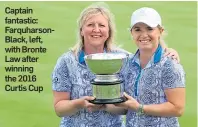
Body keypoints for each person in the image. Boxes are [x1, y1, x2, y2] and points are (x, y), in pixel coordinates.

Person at [51, 3, 180, 127]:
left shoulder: (124, 58)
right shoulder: (66, 61)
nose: (96, 30)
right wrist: (79, 104)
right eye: (90, 25)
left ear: (109, 31)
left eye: (102, 25)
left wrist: (168, 51)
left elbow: (148, 54)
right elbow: (59, 108)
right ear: (81, 30)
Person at [116, 7, 186, 127]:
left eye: (149, 29)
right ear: (131, 33)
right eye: (137, 29)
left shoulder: (170, 65)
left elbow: (177, 108)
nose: (144, 35)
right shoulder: (127, 63)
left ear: (160, 31)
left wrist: (140, 108)